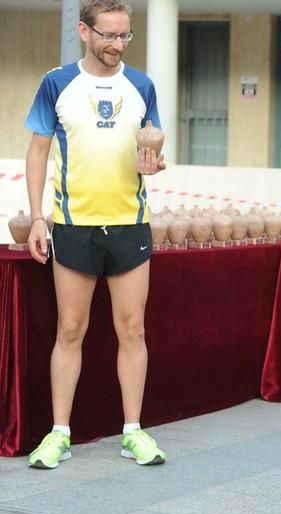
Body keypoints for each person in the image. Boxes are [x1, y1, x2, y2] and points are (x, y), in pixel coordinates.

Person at [24, 0, 166, 469]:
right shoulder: (57, 83)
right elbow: (38, 152)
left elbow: (153, 148)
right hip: (71, 225)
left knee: (133, 329)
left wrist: (156, 162)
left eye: (125, 35)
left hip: (129, 224)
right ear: (84, 31)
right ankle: (59, 432)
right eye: (108, 35)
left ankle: (133, 432)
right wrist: (37, 217)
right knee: (70, 329)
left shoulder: (142, 85)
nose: (117, 45)